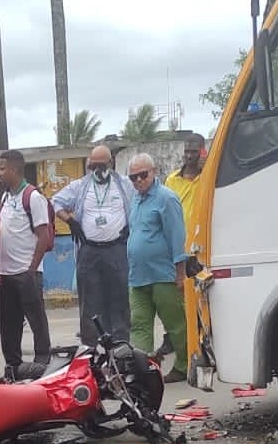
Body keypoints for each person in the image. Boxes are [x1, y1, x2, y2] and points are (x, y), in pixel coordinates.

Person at [52, 145, 134, 346]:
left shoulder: (125, 185)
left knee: (119, 299)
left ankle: (121, 346)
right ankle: (92, 348)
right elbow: (56, 201)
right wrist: (70, 221)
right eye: (93, 166)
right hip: (89, 251)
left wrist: (132, 225)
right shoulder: (80, 186)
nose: (97, 170)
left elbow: (140, 203)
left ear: (111, 163)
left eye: (101, 165)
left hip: (117, 249)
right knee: (90, 303)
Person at [127, 153, 188, 384]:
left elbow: (176, 236)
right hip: (138, 277)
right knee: (139, 325)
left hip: (163, 275)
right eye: (133, 177)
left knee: (175, 324)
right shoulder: (135, 200)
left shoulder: (166, 198)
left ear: (153, 172)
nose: (138, 181)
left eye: (143, 175)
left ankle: (183, 365)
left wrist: (180, 273)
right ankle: (144, 370)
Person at [0, 150, 51, 372]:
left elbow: (44, 236)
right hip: (6, 273)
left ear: (15, 170)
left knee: (37, 321)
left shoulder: (33, 197)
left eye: (2, 168)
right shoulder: (5, 197)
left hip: (26, 273)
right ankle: (13, 366)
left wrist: (31, 270)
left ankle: (43, 364)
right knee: (9, 324)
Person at [157, 133, 206, 357]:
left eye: (193, 152)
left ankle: (200, 341)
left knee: (199, 298)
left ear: (202, 152)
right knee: (174, 301)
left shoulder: (208, 177)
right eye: (186, 151)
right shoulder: (171, 181)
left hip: (200, 248)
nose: (189, 156)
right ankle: (173, 341)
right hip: (176, 249)